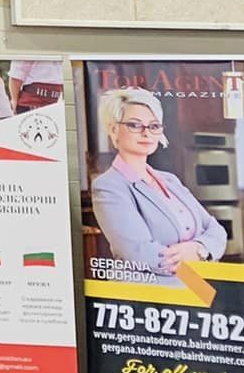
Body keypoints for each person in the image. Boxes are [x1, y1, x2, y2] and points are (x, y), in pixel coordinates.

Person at [89, 87, 228, 282]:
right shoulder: (108, 186)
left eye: (154, 126)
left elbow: (217, 231)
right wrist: (197, 269)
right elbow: (140, 253)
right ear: (113, 129)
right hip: (148, 293)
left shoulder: (170, 180)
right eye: (135, 125)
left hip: (194, 287)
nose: (146, 133)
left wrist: (199, 249)